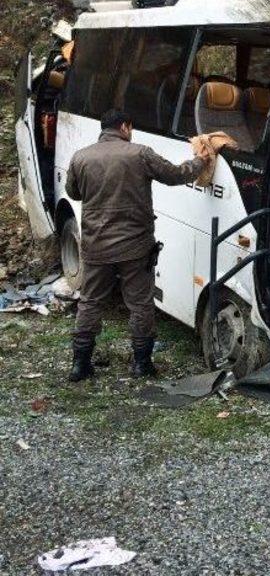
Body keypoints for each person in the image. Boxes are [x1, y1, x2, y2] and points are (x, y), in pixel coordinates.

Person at [65, 109, 209, 382]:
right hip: (135, 247)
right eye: (130, 128)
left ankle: (80, 365)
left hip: (96, 246)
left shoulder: (81, 157)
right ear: (124, 126)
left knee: (90, 302)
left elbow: (74, 192)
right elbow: (176, 174)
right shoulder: (140, 153)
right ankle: (142, 364)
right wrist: (201, 161)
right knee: (140, 304)